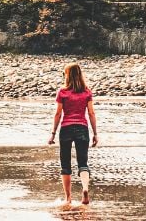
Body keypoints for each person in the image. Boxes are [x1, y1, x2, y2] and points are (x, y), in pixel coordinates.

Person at [48, 63, 98, 205]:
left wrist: (52, 133)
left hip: (66, 129)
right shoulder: (87, 92)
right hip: (82, 128)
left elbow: (58, 113)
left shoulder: (62, 92)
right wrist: (95, 133)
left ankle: (68, 198)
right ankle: (85, 189)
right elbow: (91, 113)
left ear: (67, 75)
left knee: (65, 165)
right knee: (83, 162)